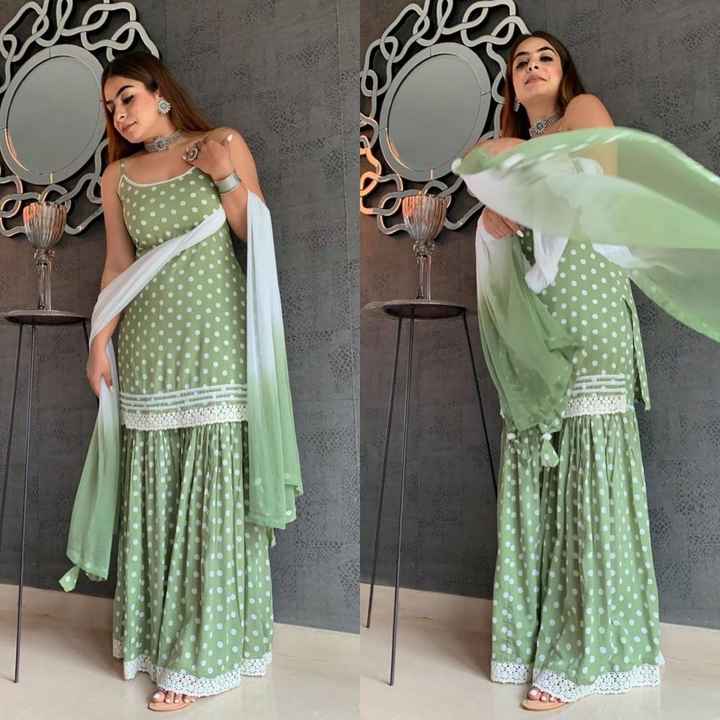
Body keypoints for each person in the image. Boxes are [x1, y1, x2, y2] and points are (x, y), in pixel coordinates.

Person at [65, 50, 301, 712]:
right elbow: (117, 265)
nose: (119, 114)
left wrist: (225, 176)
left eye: (127, 98)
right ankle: (155, 643)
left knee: (211, 496)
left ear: (159, 92)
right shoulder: (117, 177)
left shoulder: (221, 143)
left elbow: (254, 232)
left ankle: (204, 653)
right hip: (145, 349)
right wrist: (98, 342)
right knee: (158, 490)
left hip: (216, 346)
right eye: (109, 107)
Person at [463, 32, 664, 710]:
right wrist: (496, 209)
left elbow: (589, 185)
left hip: (589, 299)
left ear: (565, 71)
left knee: (586, 459)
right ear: (510, 86)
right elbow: (505, 186)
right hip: (537, 308)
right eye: (519, 63)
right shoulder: (515, 147)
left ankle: (581, 653)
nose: (531, 67)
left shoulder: (585, 111)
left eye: (543, 57)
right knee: (539, 448)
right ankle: (533, 641)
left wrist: (500, 178)